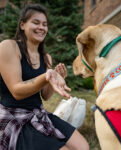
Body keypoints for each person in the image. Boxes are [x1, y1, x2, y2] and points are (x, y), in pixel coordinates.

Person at [0, 3, 89, 150]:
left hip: (38, 114)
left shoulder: (46, 57)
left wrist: (56, 79)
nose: (41, 27)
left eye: (45, 24)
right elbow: (16, 91)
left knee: (83, 146)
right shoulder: (8, 47)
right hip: (14, 117)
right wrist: (46, 76)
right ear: (22, 25)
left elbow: (46, 96)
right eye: (36, 22)